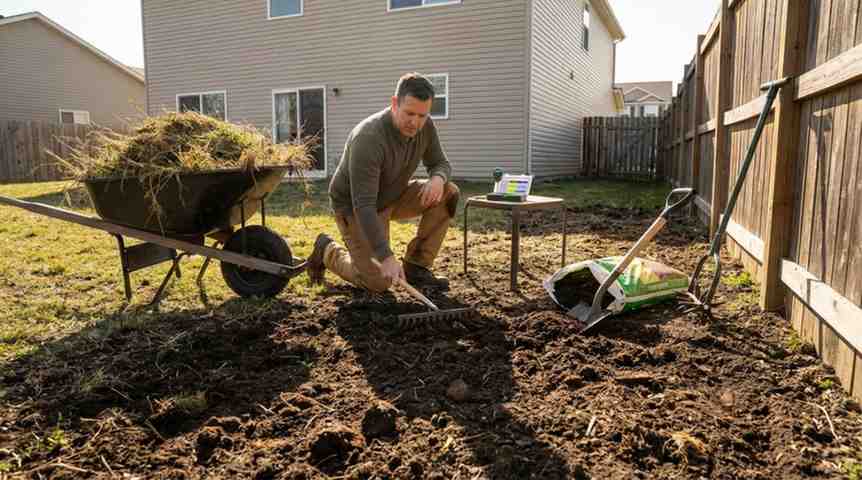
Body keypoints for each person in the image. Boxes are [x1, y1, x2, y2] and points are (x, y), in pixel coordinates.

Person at [305, 72, 460, 292]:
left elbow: (440, 162)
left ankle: (416, 266)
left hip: (392, 196)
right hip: (355, 208)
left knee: (448, 192)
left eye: (422, 115)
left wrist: (437, 177)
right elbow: (364, 205)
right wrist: (385, 256)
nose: (415, 122)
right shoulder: (368, 138)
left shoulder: (425, 126)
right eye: (409, 113)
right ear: (394, 103)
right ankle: (327, 250)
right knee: (378, 283)